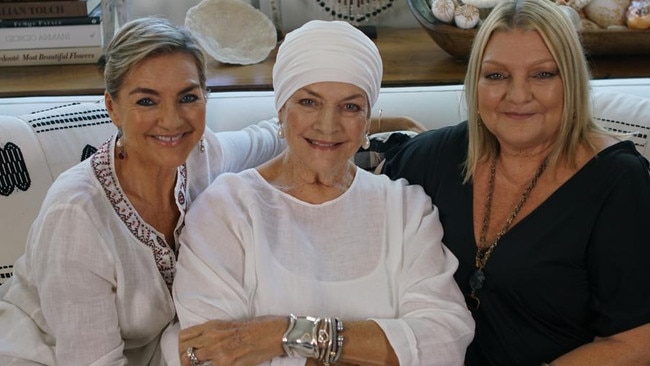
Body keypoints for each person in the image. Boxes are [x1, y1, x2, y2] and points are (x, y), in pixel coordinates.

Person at [171, 20, 475, 366]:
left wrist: (284, 333)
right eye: (309, 102)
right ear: (281, 110)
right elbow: (211, 354)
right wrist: (381, 348)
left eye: (350, 106)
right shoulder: (227, 209)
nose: (328, 125)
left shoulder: (405, 208)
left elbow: (445, 342)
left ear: (367, 121)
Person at [0, 16, 287, 365]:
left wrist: (350, 121)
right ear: (112, 107)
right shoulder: (76, 217)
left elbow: (267, 138)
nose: (171, 120)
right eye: (147, 101)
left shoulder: (200, 154)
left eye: (187, 97)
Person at [382, 0, 650, 364]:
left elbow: (636, 341)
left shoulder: (617, 181)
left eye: (543, 74)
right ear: (475, 83)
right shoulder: (431, 158)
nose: (518, 95)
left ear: (570, 82)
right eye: (496, 75)